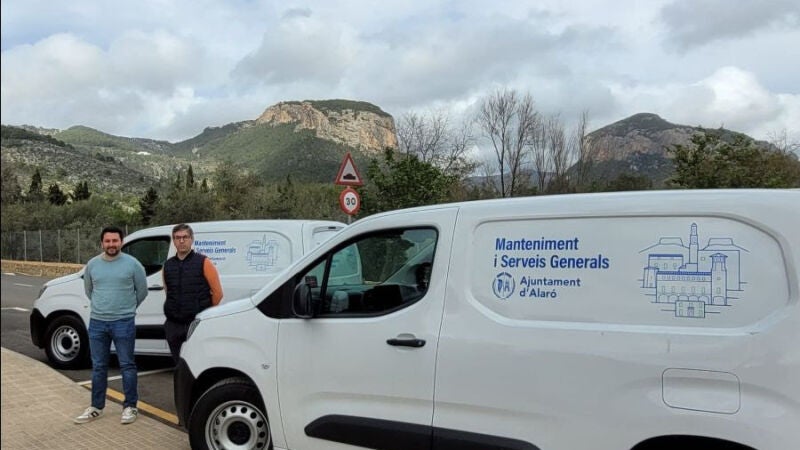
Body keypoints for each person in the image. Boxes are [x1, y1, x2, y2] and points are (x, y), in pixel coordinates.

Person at [74, 226, 147, 425]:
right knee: (98, 366)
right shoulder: (92, 265)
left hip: (124, 322)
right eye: (108, 241)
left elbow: (142, 291)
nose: (111, 244)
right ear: (102, 243)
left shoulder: (133, 264)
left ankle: (130, 407)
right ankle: (96, 407)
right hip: (97, 322)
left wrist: (127, 308)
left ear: (121, 242)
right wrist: (104, 306)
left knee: (127, 365)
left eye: (115, 240)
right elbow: (89, 290)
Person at [163, 223, 223, 364]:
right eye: (177, 238)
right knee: (179, 365)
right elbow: (168, 292)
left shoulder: (204, 262)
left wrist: (203, 312)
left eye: (185, 237)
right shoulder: (167, 265)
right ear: (173, 240)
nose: (181, 241)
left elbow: (218, 293)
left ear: (192, 239)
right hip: (174, 325)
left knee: (199, 364)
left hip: (196, 323)